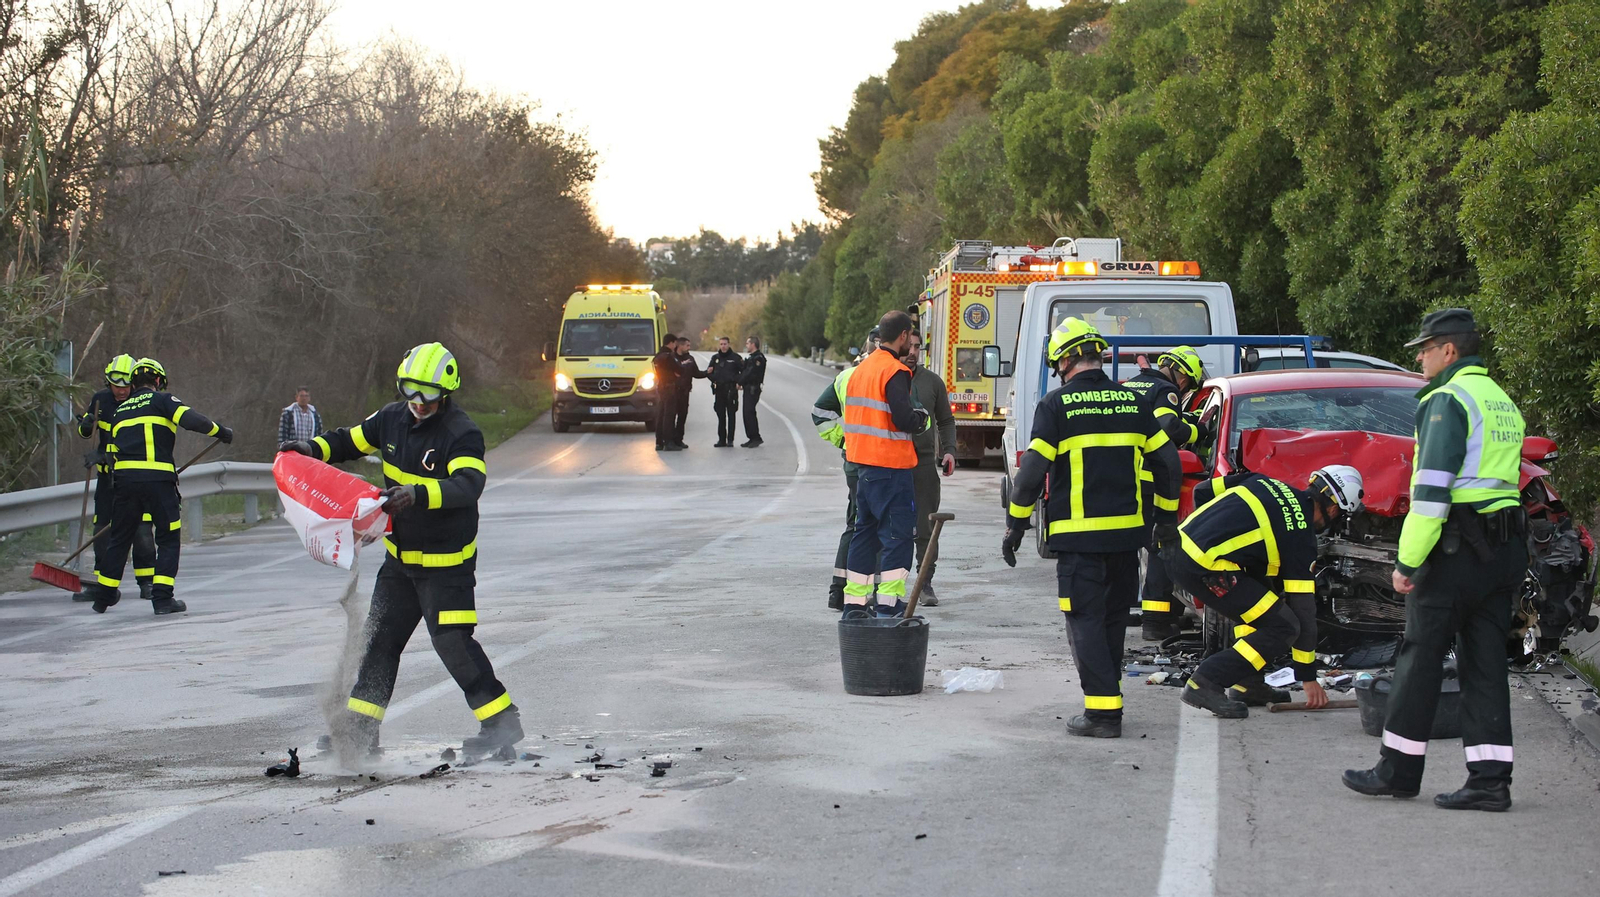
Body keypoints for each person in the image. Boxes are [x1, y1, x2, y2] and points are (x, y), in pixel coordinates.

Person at [280, 342, 522, 758]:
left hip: (447, 565)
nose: (418, 402)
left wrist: (417, 493)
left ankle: (501, 722)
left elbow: (469, 485)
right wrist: (309, 450)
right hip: (401, 560)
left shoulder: (461, 433)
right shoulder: (390, 419)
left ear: (445, 393)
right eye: (410, 389)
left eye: (428, 393)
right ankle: (360, 729)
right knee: (379, 642)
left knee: (452, 642)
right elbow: (348, 441)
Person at [1344, 308, 1526, 812]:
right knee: (1485, 662)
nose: (1420, 358)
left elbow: (1431, 492)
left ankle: (1397, 771)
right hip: (1503, 549)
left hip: (1456, 551)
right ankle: (1490, 782)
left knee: (1420, 657)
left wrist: (1407, 562)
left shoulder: (1447, 399)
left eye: (1425, 349)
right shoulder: (1499, 398)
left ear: (1449, 350)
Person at [1001, 317, 1179, 738]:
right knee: (1113, 620)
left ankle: (1102, 715)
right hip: (1127, 539)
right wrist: (1166, 520)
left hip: (1079, 541)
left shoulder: (1055, 406)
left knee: (1083, 621)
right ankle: (1108, 700)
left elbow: (1030, 474)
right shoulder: (1133, 404)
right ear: (1096, 355)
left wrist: (1016, 525)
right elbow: (1168, 463)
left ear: (1064, 360)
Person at [1171, 467, 1361, 717]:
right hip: (1204, 567)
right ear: (1334, 509)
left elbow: (1202, 490)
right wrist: (1307, 677)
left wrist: (1213, 533)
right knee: (1283, 626)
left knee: (1262, 609)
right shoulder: (1300, 537)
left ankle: (1248, 685)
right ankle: (1204, 682)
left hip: (1179, 547)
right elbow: (1303, 610)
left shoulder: (1265, 481)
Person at [79, 358, 233, 616]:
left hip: (124, 484)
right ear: (159, 381)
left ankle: (103, 597)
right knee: (168, 537)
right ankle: (162, 599)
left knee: (119, 537)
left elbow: (113, 448)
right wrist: (220, 431)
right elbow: (191, 420)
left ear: (133, 382)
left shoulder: (121, 410)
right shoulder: (163, 400)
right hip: (158, 482)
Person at [842, 311, 930, 618]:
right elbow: (903, 418)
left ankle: (854, 604)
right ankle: (889, 605)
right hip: (891, 468)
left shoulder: (862, 370)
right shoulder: (894, 371)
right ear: (904, 335)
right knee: (897, 536)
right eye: (911, 338)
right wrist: (922, 418)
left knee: (864, 535)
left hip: (863, 469)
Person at [1124, 346, 1209, 641]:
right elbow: (1168, 425)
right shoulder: (1165, 390)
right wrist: (1199, 431)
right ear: (1181, 374)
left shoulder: (1132, 383)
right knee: (1161, 546)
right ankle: (1156, 621)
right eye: (1187, 383)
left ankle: (1124, 611)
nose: (1183, 389)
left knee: (1127, 548)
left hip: (1122, 479)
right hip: (1148, 480)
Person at [72, 355, 155, 603]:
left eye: (125, 385)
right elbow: (88, 431)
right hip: (108, 479)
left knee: (141, 530)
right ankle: (102, 584)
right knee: (102, 530)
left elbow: (140, 438)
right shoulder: (101, 400)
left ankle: (147, 582)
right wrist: (86, 426)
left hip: (135, 475)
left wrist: (108, 454)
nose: (120, 390)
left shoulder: (142, 401)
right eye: (114, 385)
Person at [812, 327, 877, 611]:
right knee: (878, 528)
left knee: (855, 524)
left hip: (854, 462)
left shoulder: (846, 376)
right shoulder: (891, 375)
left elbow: (820, 412)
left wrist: (843, 439)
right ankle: (872, 593)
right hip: (880, 463)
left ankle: (838, 591)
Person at [905, 331, 956, 606]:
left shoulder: (932, 383)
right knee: (894, 526)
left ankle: (925, 583)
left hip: (924, 464)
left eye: (917, 347)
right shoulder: (888, 377)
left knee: (926, 527)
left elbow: (946, 421)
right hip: (892, 464)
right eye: (908, 346)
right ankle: (884, 585)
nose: (913, 352)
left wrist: (949, 451)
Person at [706, 335, 744, 447]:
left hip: (731, 390)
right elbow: (709, 372)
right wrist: (713, 378)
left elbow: (743, 372)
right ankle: (721, 439)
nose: (723, 346)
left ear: (729, 344)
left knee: (731, 415)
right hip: (719, 390)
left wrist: (739, 382)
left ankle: (730, 439)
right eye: (721, 344)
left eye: (725, 344)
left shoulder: (736, 358)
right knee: (720, 415)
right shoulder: (715, 358)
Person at [672, 336, 705, 449]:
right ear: (680, 346)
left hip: (685, 392)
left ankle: (679, 439)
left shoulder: (690, 359)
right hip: (672, 392)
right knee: (671, 416)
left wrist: (708, 373)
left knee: (682, 416)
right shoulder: (671, 357)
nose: (689, 347)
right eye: (687, 345)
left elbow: (696, 373)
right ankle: (669, 440)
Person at [651, 333, 682, 451]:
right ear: (671, 343)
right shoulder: (669, 356)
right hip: (670, 387)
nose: (675, 346)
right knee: (669, 414)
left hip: (661, 387)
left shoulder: (658, 356)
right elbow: (679, 369)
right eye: (675, 343)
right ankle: (668, 441)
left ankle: (659, 441)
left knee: (660, 414)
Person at [738, 336, 766, 447]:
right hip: (748, 388)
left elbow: (750, 373)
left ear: (753, 344)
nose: (746, 345)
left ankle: (756, 437)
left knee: (749, 412)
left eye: (747, 343)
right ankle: (751, 437)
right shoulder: (752, 358)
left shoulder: (758, 358)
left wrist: (739, 382)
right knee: (747, 413)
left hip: (753, 389)